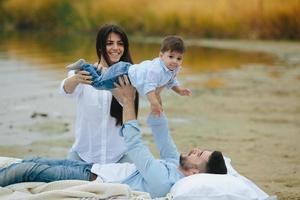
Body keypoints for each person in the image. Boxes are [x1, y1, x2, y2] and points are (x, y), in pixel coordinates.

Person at [0, 76, 227, 198]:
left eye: (200, 155)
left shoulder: (164, 181)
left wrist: (128, 101)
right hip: (95, 166)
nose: (196, 149)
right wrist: (156, 99)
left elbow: (136, 146)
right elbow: (162, 134)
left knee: (30, 171)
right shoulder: (173, 165)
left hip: (92, 178)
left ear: (196, 172)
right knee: (35, 160)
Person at [60, 24, 138, 164]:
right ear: (101, 47)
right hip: (83, 155)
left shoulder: (129, 77)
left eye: (120, 44)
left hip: (119, 157)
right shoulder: (86, 73)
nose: (115, 48)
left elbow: (127, 106)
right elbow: (65, 91)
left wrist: (106, 81)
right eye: (109, 43)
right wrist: (76, 79)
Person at [67, 35, 192, 116]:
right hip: (122, 73)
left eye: (179, 58)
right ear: (161, 56)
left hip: (125, 70)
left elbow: (171, 80)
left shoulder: (174, 68)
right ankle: (85, 66)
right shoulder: (156, 70)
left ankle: (102, 71)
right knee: (99, 84)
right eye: (171, 57)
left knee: (103, 78)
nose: (175, 61)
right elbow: (149, 89)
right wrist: (154, 104)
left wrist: (179, 90)